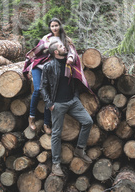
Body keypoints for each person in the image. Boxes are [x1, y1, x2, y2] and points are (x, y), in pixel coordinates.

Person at [40, 40, 94, 177]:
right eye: (61, 47)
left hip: (72, 102)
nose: (64, 47)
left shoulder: (70, 63)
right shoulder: (49, 66)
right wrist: (50, 104)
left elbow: (74, 80)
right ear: (56, 52)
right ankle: (56, 164)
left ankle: (80, 150)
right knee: (56, 134)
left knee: (88, 121)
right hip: (57, 105)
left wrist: (75, 96)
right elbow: (43, 87)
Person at [23, 17, 75, 133]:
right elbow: (36, 51)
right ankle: (31, 117)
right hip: (40, 67)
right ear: (50, 28)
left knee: (50, 94)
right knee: (37, 90)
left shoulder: (66, 39)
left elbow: (72, 51)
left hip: (52, 70)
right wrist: (30, 63)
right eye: (52, 26)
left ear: (60, 26)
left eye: (56, 25)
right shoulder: (46, 38)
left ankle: (46, 123)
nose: (54, 28)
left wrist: (70, 58)